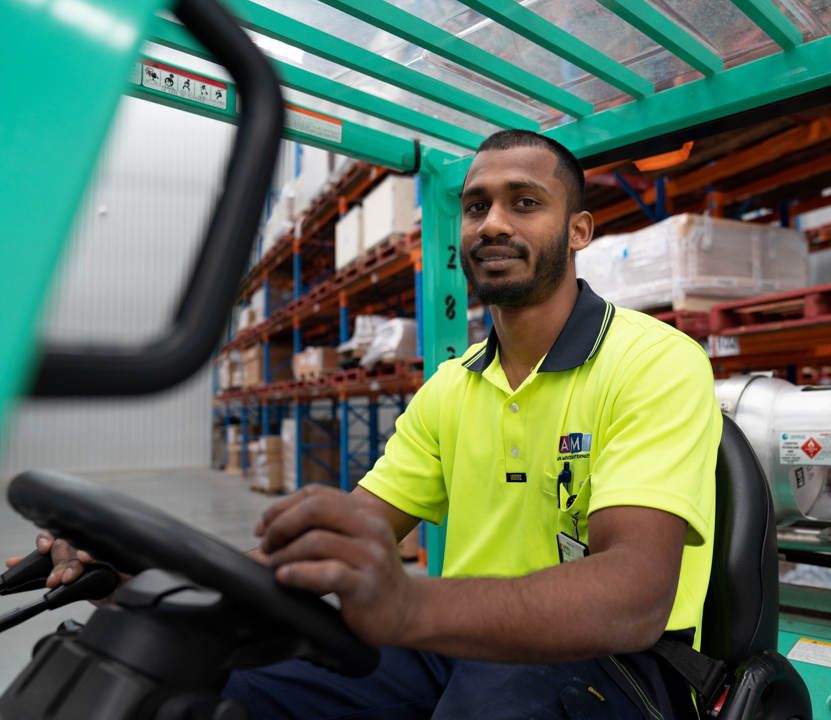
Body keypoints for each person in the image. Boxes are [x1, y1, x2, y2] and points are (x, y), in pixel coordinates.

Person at [15, 130, 721, 719]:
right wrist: (153, 583)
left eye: (524, 203)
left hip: (614, 662)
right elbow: (343, 537)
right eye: (476, 206)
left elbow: (634, 596)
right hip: (459, 639)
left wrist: (410, 605)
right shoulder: (452, 387)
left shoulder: (652, 362)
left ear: (578, 231)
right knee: (216, 681)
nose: (493, 224)